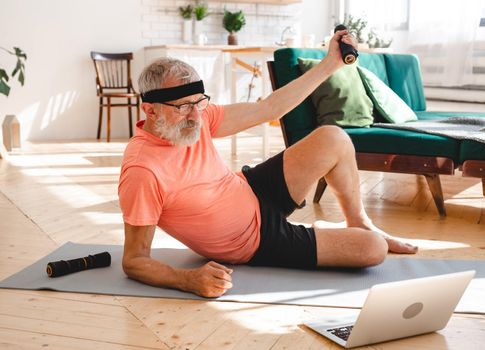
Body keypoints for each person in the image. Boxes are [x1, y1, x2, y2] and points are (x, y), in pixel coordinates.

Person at [119, 29, 418, 298]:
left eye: (200, 102)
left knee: (333, 137)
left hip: (252, 189)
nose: (196, 116)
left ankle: (359, 220)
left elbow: (270, 107)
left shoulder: (199, 118)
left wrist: (332, 63)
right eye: (184, 107)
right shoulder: (142, 171)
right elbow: (134, 260)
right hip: (256, 240)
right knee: (373, 249)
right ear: (151, 111)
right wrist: (187, 280)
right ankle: (346, 234)